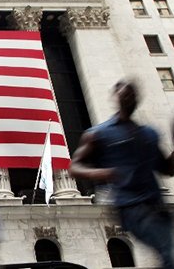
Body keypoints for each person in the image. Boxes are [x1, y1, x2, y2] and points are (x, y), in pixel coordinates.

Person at [70, 80, 174, 269]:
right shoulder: (98, 134)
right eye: (125, 95)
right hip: (132, 208)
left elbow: (166, 169)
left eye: (132, 95)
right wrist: (104, 173)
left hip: (158, 206)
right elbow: (75, 167)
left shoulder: (149, 134)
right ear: (116, 98)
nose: (129, 98)